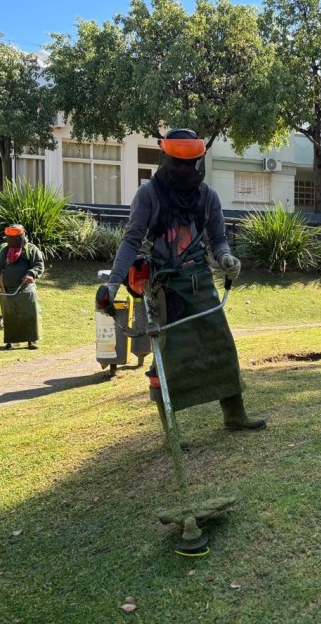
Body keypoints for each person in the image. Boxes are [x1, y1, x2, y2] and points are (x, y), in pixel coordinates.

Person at [96, 128, 265, 435]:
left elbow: (218, 239)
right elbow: (132, 241)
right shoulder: (149, 195)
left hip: (201, 283)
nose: (186, 170)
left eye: (192, 164)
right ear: (166, 159)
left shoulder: (208, 197)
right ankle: (171, 431)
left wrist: (227, 259)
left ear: (199, 162)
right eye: (179, 163)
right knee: (166, 359)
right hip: (164, 288)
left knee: (220, 344)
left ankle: (234, 414)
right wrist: (113, 284)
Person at [0, 224, 44, 350]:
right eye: (9, 238)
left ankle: (31, 340)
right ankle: (11, 341)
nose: (12, 241)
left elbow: (38, 265)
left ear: (22, 236)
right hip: (6, 290)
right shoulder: (2, 250)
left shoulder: (31, 249)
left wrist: (31, 274)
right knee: (9, 316)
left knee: (29, 314)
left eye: (16, 238)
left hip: (25, 289)